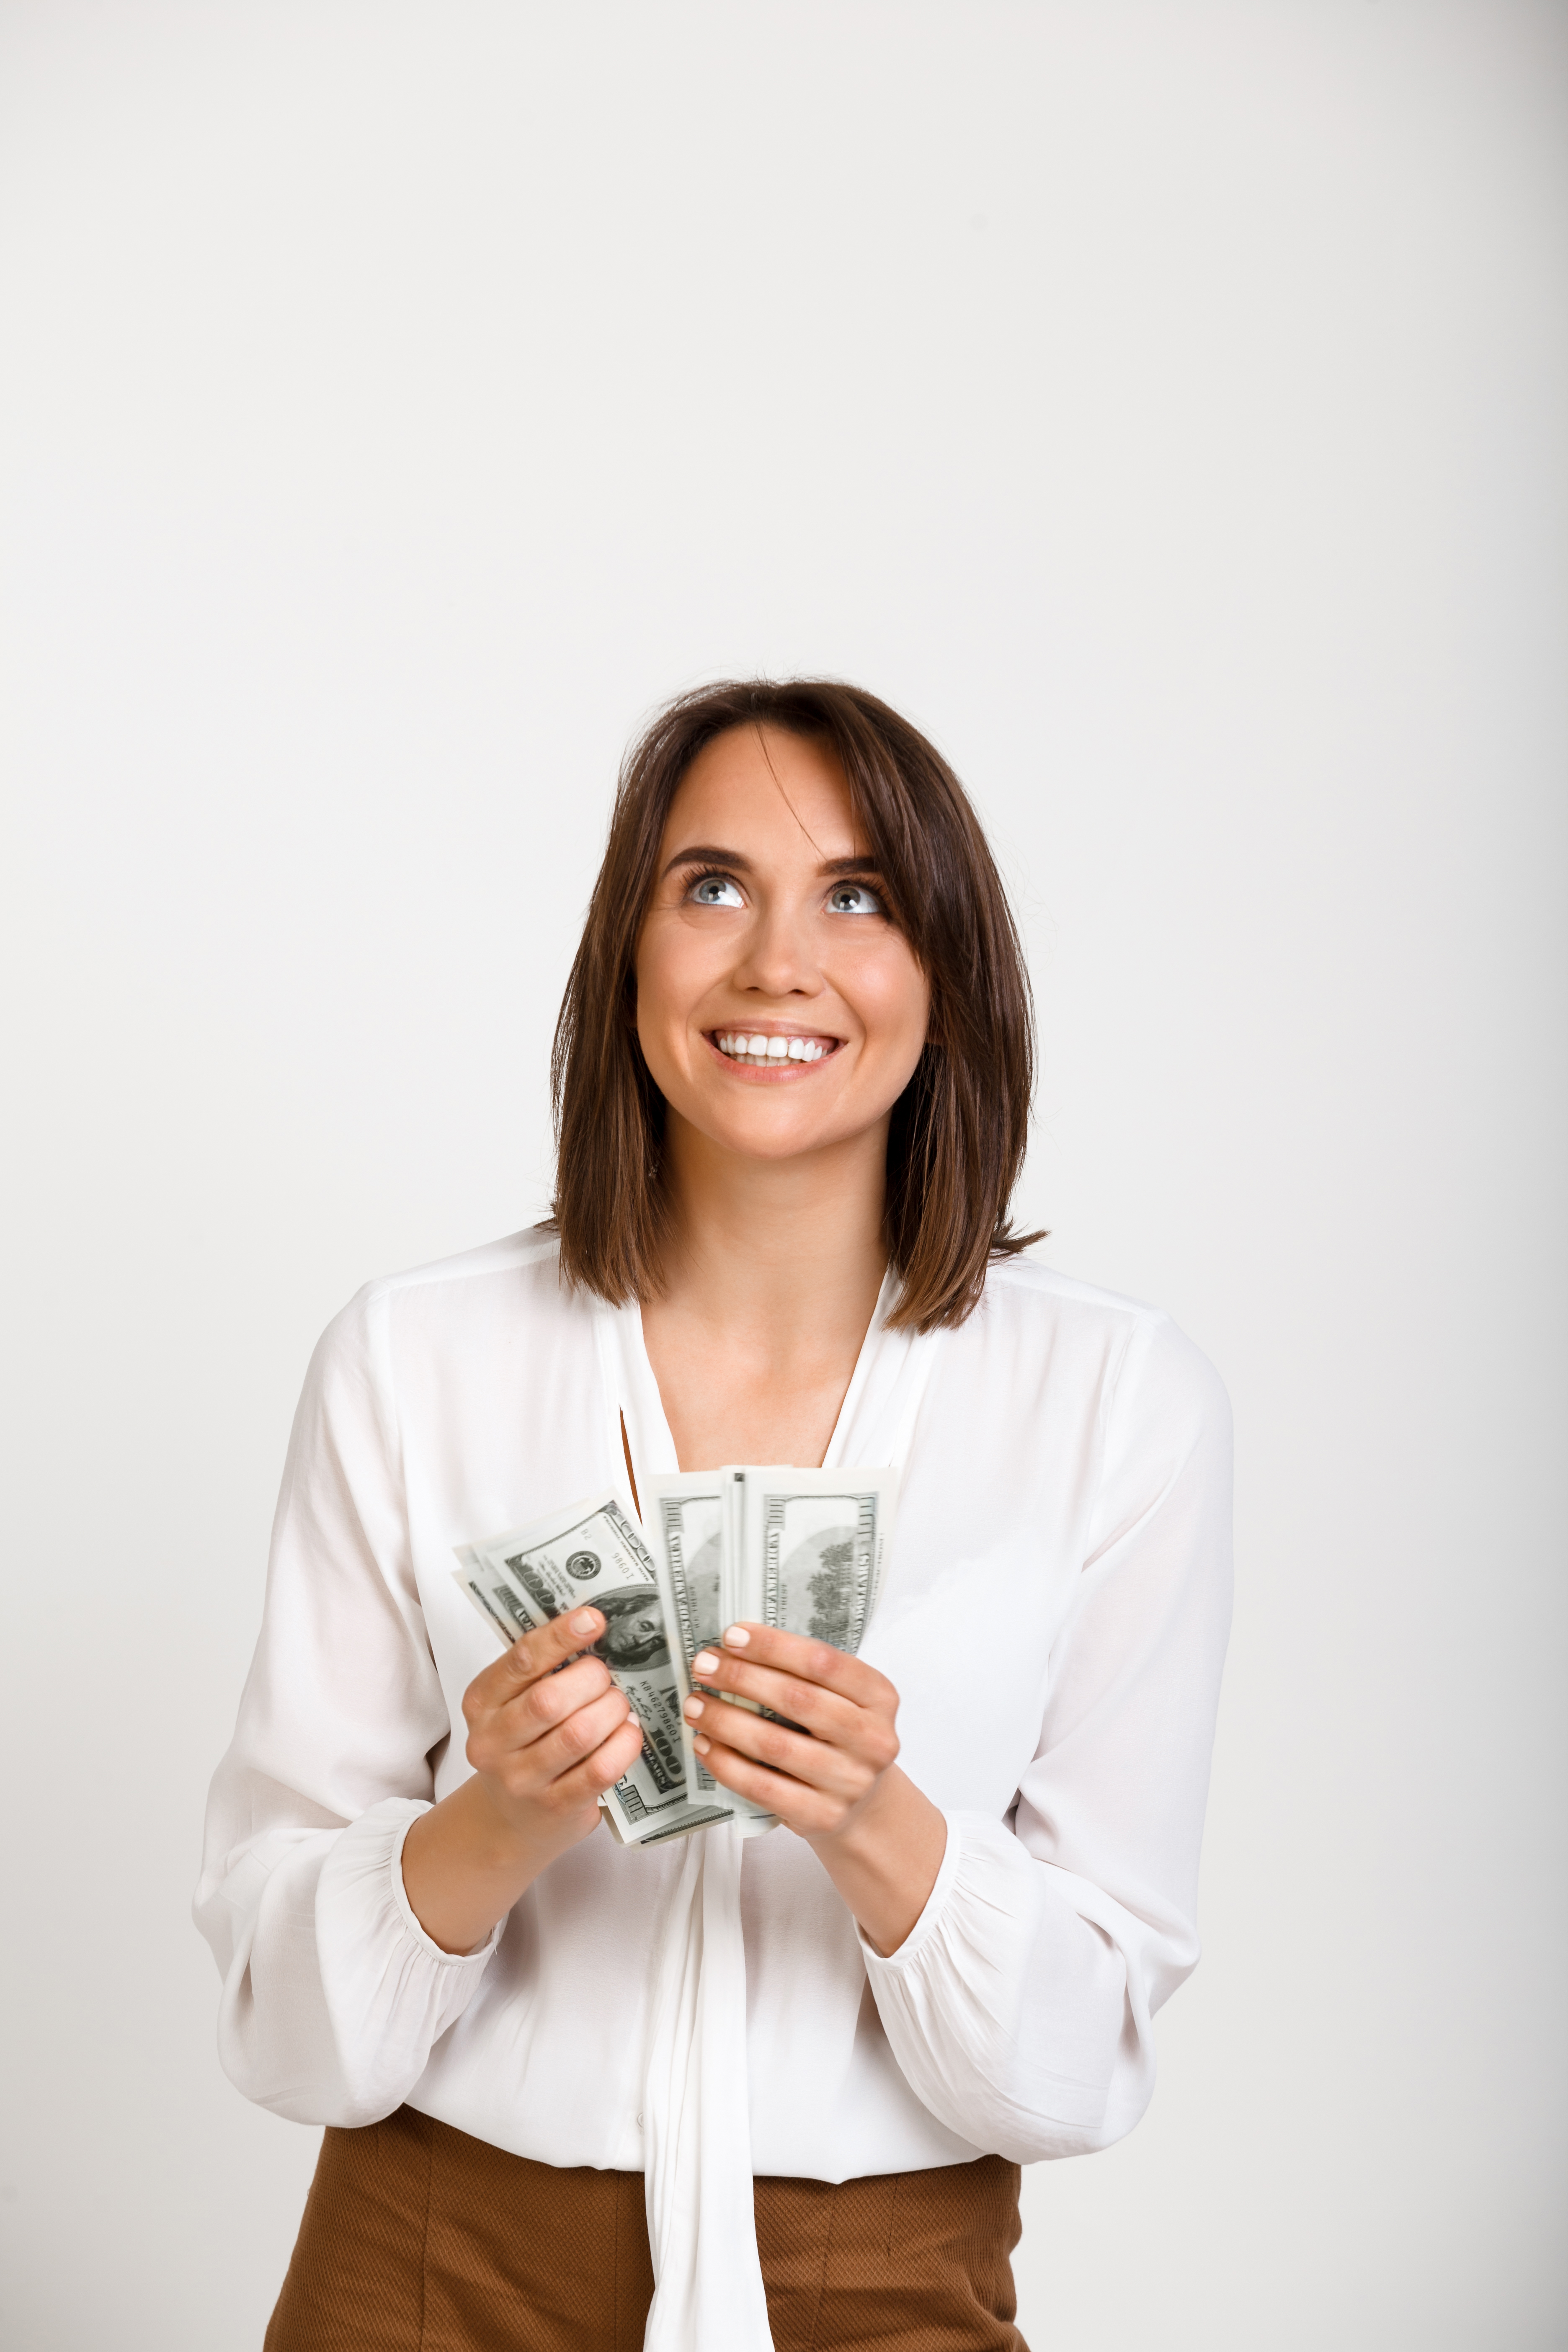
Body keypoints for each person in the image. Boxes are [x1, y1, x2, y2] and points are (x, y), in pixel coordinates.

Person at [195, 678, 1232, 2352]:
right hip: (427, 2263)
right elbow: (277, 2028)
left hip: (883, 2283)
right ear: (629, 953)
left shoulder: (1120, 1407)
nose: (776, 963)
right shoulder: (409, 1358)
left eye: (859, 895)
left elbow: (1078, 2061)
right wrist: (498, 1823)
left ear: (948, 980)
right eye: (711, 886)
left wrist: (874, 1823)